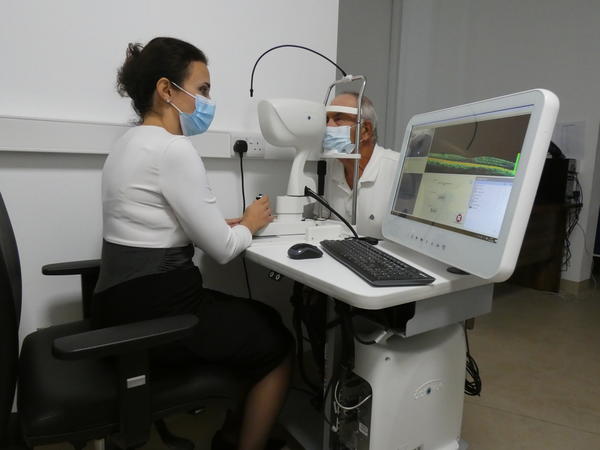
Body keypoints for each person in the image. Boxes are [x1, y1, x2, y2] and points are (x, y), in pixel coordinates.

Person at [91, 37, 293, 450]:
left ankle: (235, 427)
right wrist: (250, 224)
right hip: (159, 315)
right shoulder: (173, 149)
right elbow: (222, 249)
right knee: (276, 337)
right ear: (167, 90)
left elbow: (151, 226)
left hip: (115, 305)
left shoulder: (127, 145)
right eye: (202, 90)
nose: (207, 101)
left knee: (252, 321)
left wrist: (221, 224)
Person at [323, 92, 400, 238]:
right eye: (327, 119)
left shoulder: (398, 169)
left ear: (365, 131)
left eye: (338, 119)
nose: (328, 126)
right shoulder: (327, 169)